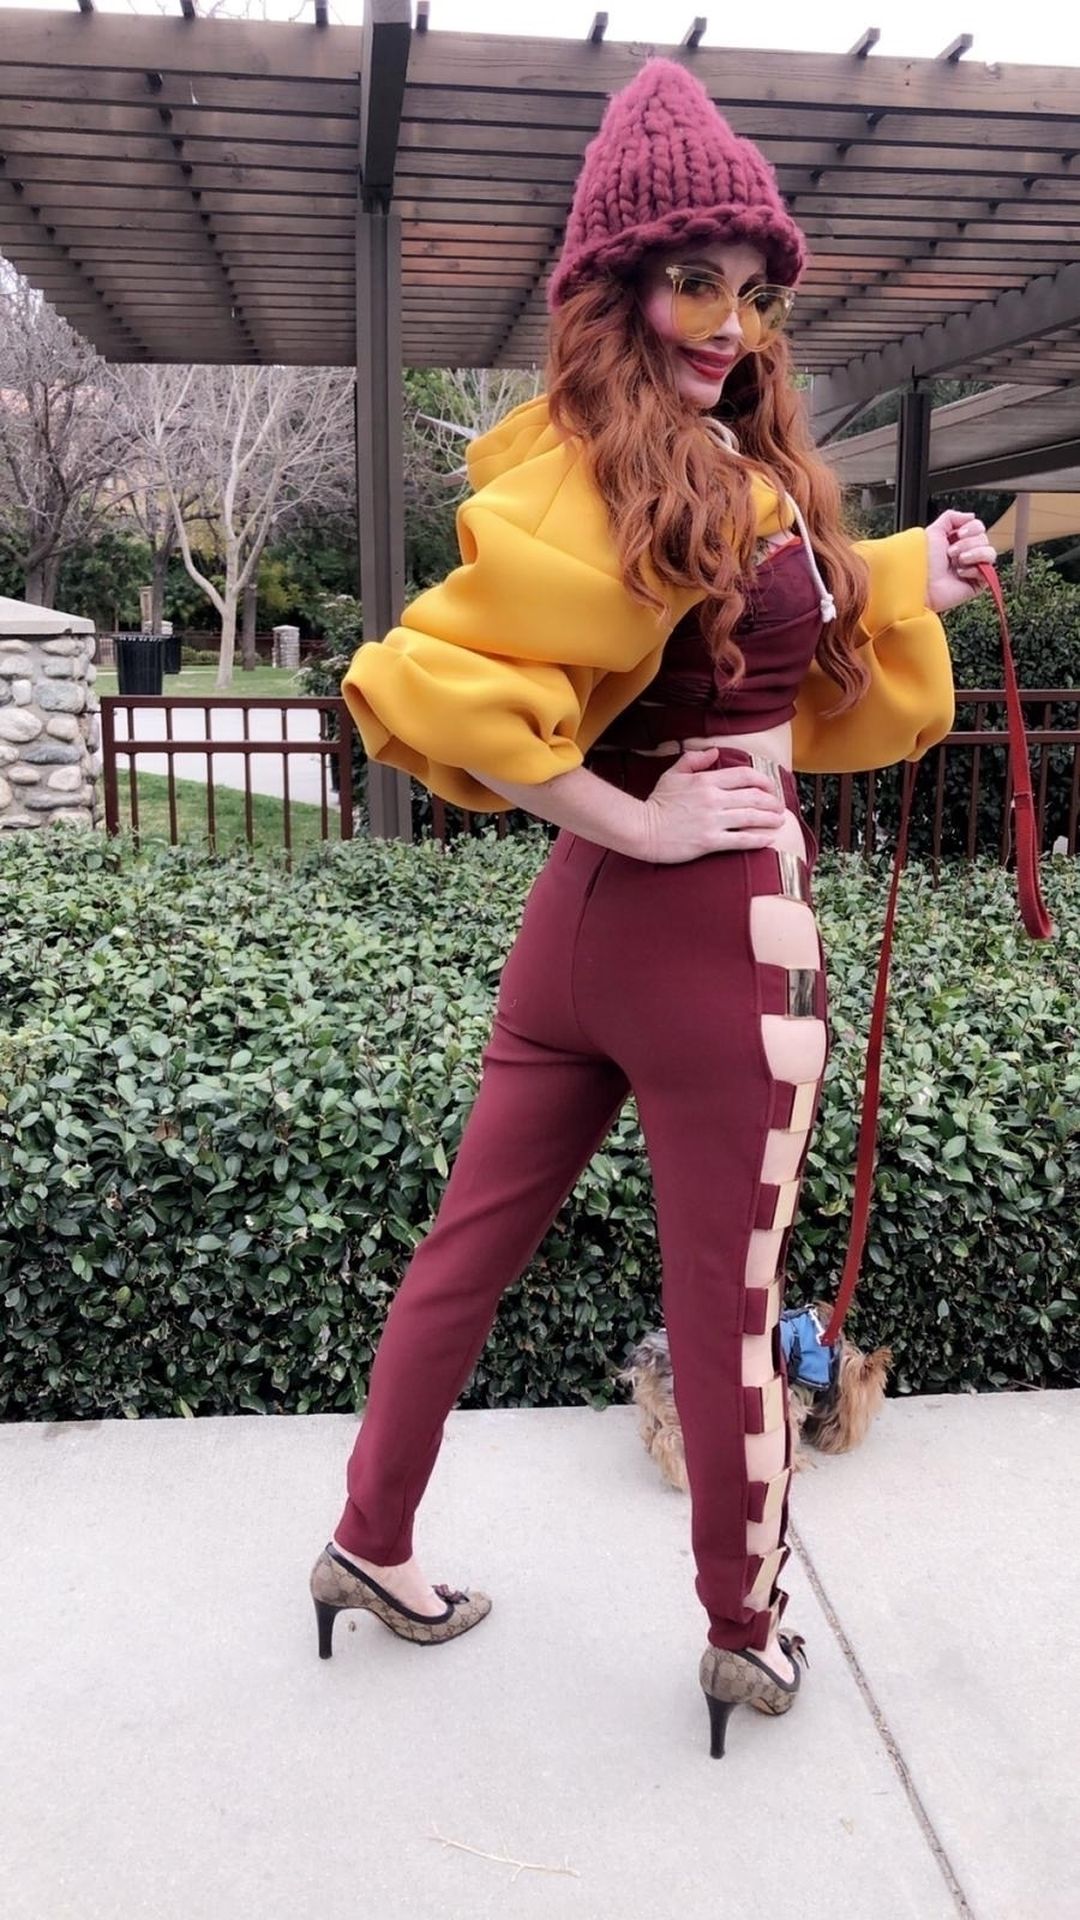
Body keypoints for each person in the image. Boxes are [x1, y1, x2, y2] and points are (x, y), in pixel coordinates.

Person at [309, 57, 995, 1757]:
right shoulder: (670, 470)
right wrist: (645, 811)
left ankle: (367, 1542)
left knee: (464, 1255)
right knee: (729, 1306)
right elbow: (432, 676)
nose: (731, 324)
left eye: (752, 293)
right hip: (720, 933)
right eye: (697, 281)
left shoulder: (626, 465)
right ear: (617, 284)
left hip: (577, 932)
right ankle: (745, 1635)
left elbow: (749, 616)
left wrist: (909, 571)